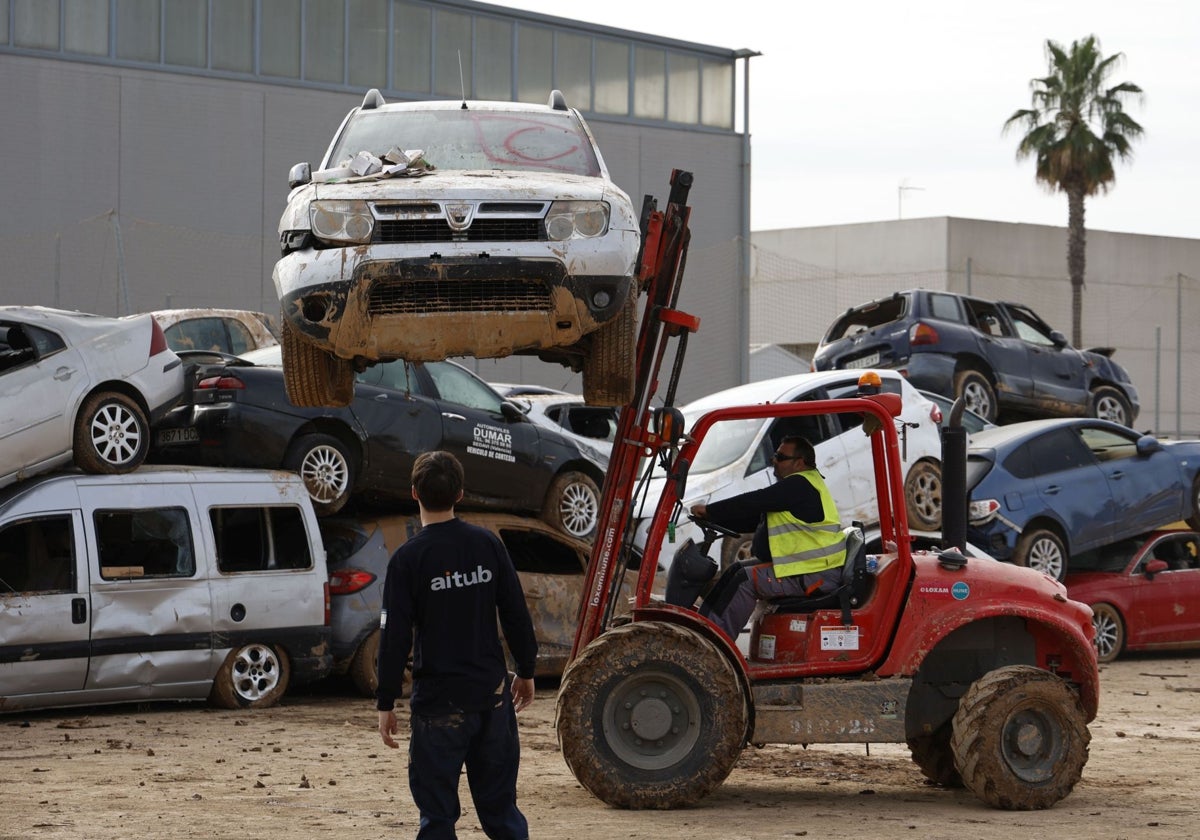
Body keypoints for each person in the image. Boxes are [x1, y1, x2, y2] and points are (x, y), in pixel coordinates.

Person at [376, 450, 538, 840]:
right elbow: (515, 610)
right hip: (492, 699)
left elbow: (394, 636)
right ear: (461, 494)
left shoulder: (407, 559)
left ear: (413, 493)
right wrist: (527, 672)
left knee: (437, 816)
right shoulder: (487, 545)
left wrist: (385, 702)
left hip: (439, 708)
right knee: (501, 810)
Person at [690, 435, 846, 639]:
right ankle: (702, 629)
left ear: (799, 462)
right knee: (736, 569)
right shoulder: (798, 487)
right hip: (805, 568)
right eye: (775, 455)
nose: (774, 460)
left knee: (745, 580)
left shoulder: (800, 484)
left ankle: (715, 643)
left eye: (780, 457)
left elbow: (755, 501)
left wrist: (710, 510)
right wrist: (715, 520)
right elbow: (754, 519)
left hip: (815, 575)